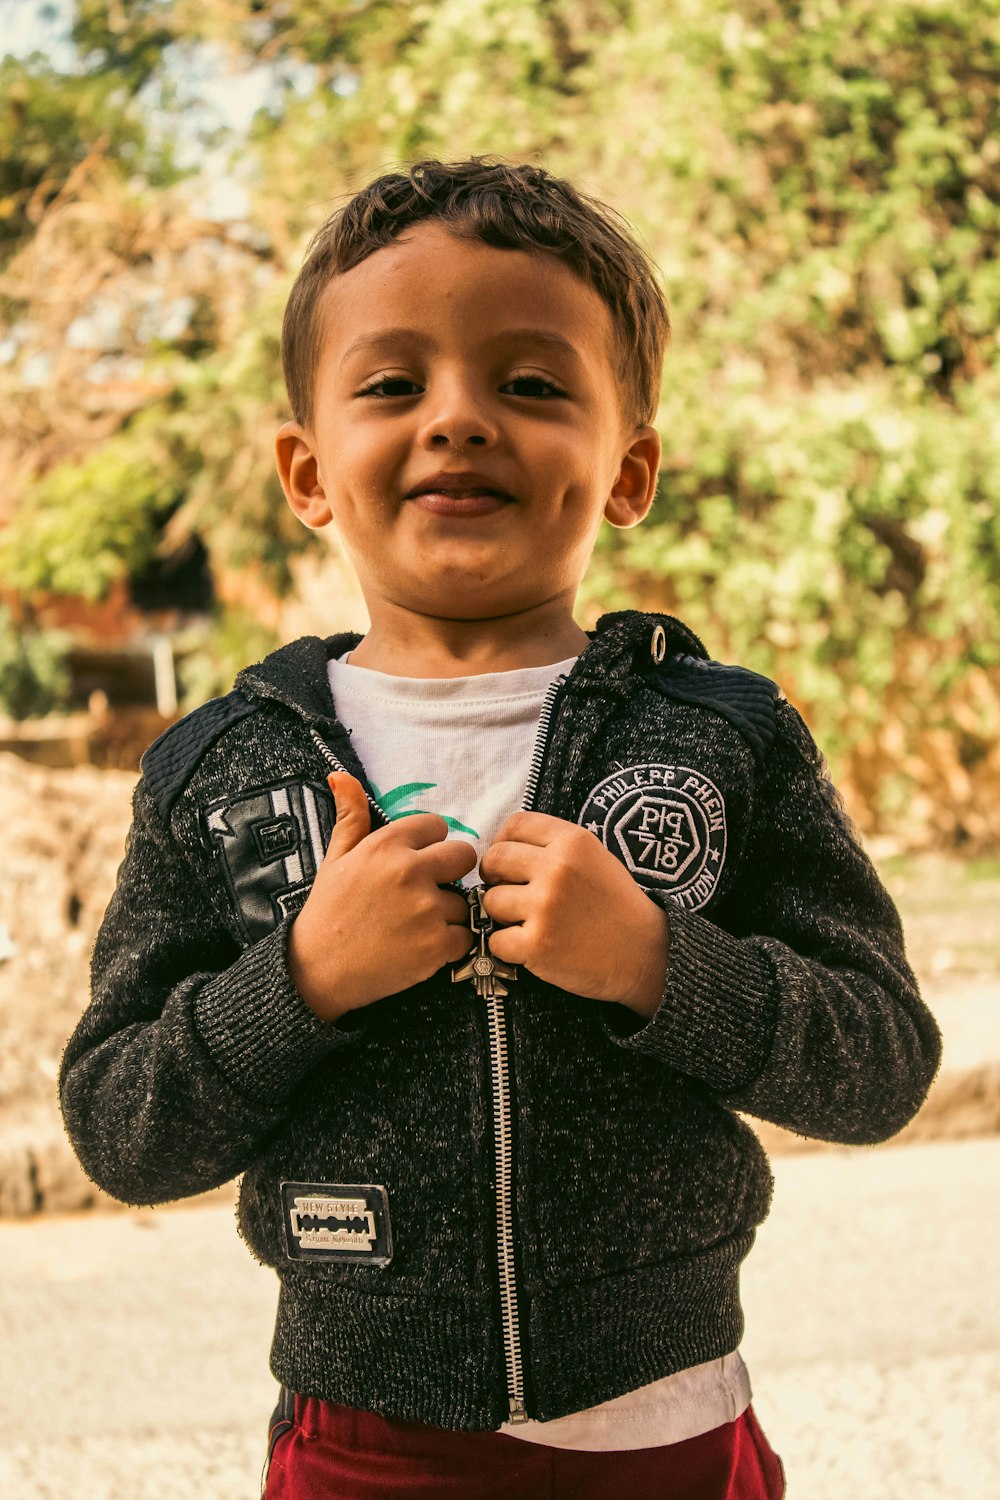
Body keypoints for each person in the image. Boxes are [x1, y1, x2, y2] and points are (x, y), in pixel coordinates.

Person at [59, 157, 942, 1500]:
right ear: (306, 471)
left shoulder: (725, 734)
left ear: (628, 467)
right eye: (393, 383)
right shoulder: (221, 768)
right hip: (361, 1443)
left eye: (531, 385)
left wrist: (662, 966)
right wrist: (297, 984)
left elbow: (879, 1064)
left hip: (669, 1432)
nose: (459, 420)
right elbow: (123, 1127)